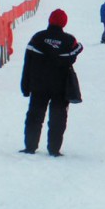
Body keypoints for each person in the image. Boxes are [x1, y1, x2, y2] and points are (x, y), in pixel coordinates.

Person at [20, 9, 84, 156]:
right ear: (64, 23)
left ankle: (30, 147)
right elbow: (75, 52)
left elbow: (27, 63)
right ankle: (54, 149)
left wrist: (25, 86)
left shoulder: (37, 38)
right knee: (58, 118)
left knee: (34, 116)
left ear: (50, 20)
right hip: (60, 87)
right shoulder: (69, 40)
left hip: (38, 85)